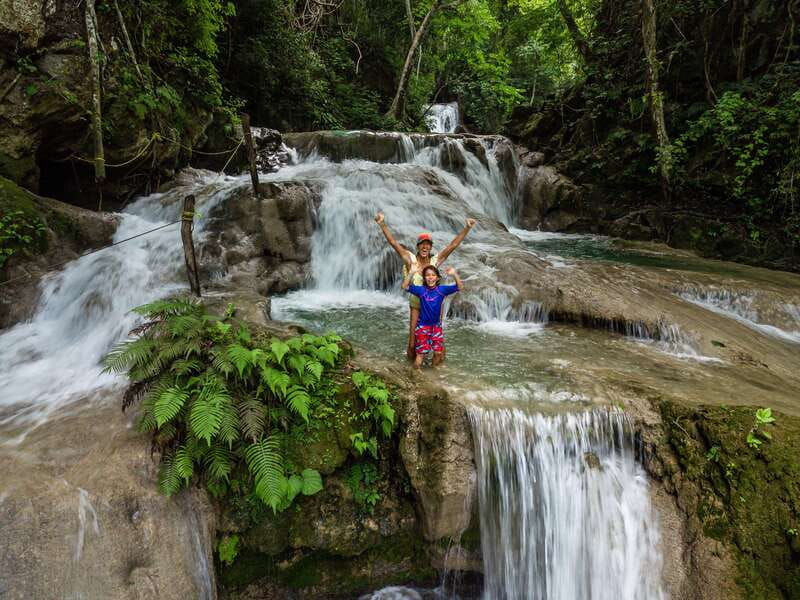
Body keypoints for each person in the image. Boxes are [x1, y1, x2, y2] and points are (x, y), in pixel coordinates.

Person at [374, 212, 476, 359]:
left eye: (428, 245)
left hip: (434, 305)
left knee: (438, 341)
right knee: (412, 342)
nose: (425, 247)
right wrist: (382, 223)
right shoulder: (410, 260)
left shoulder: (434, 261)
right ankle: (411, 371)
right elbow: (394, 243)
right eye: (422, 244)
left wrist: (467, 227)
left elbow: (453, 245)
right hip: (416, 305)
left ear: (430, 248)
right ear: (418, 246)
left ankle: (438, 371)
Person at [402, 264, 462, 369]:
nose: (430, 277)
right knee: (420, 354)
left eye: (433, 275)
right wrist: (411, 273)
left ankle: (433, 373)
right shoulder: (421, 290)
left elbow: (459, 287)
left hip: (436, 327)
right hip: (423, 328)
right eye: (427, 275)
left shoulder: (442, 290)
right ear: (424, 278)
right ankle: (414, 373)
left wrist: (454, 274)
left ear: (438, 277)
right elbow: (405, 286)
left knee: (438, 352)